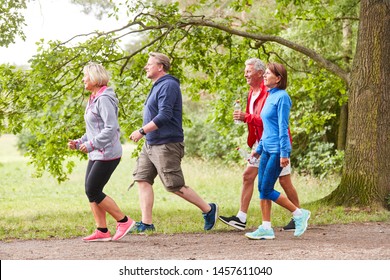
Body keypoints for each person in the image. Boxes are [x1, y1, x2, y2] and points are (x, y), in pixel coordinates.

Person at [129, 52, 218, 233]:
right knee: (142, 178)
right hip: (151, 143)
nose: (146, 67)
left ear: (160, 66)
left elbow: (165, 116)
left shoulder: (168, 85)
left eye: (149, 64)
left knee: (174, 185)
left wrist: (141, 131)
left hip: (166, 144)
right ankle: (146, 224)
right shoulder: (157, 86)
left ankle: (208, 209)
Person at [219, 58, 300, 231]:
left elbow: (271, 123)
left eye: (248, 71)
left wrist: (246, 117)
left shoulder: (270, 93)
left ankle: (298, 215)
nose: (245, 74)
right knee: (249, 177)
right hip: (261, 143)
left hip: (275, 144)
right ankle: (244, 218)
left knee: (283, 181)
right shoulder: (252, 92)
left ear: (259, 72)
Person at [68, 62, 135, 242]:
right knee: (91, 191)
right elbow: (94, 128)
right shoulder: (93, 97)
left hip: (107, 153)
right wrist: (80, 141)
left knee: (93, 189)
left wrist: (91, 144)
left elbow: (111, 128)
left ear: (95, 78)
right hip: (97, 152)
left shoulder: (104, 98)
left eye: (86, 76)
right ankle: (102, 230)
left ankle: (124, 221)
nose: (83, 79)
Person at [245, 62, 310, 240]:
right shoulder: (269, 95)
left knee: (266, 189)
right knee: (262, 188)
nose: (264, 76)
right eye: (264, 73)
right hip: (266, 149)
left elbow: (283, 127)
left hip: (276, 151)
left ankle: (299, 214)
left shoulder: (282, 97)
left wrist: (284, 153)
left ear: (278, 78)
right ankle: (266, 228)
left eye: (268, 74)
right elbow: (268, 128)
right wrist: (257, 150)